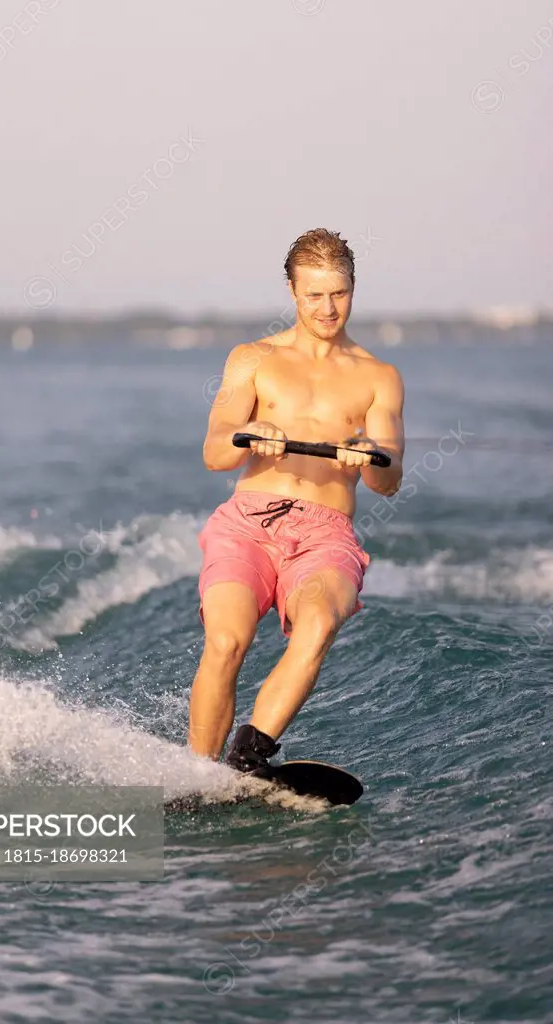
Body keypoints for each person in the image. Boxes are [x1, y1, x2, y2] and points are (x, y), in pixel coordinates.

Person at [189, 228, 405, 774]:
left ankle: (247, 759)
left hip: (325, 533)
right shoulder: (253, 359)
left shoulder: (379, 376)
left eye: (339, 293)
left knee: (317, 626)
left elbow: (391, 478)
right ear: (292, 291)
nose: (328, 308)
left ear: (353, 287)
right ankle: (195, 774)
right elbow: (214, 450)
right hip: (248, 524)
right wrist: (248, 433)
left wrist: (371, 454)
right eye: (314, 295)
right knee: (226, 640)